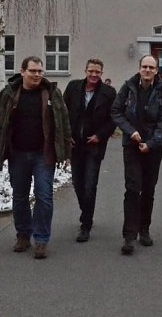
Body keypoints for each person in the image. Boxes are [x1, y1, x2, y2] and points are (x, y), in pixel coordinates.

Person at [0, 56, 70, 259]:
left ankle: (41, 239)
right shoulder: (9, 94)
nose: (37, 75)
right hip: (18, 154)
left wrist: (66, 153)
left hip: (44, 155)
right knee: (19, 196)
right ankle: (23, 234)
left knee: (44, 196)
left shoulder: (51, 93)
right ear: (22, 72)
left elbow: (64, 123)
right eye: (33, 71)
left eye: (40, 71)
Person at [111, 55, 162, 255]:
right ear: (139, 68)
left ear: (156, 70)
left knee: (148, 189)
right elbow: (116, 112)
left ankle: (144, 229)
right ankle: (129, 235)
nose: (147, 70)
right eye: (144, 66)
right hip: (132, 145)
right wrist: (130, 131)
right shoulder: (128, 87)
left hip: (154, 148)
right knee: (132, 188)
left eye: (151, 67)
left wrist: (152, 143)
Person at [64, 58, 117, 242]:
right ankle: (85, 211)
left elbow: (113, 118)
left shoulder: (109, 93)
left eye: (98, 72)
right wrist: (66, 134)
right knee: (78, 184)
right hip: (74, 144)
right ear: (85, 70)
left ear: (102, 73)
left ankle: (85, 224)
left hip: (94, 145)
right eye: (91, 71)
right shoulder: (73, 87)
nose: (94, 75)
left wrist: (100, 136)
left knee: (89, 185)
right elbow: (63, 112)